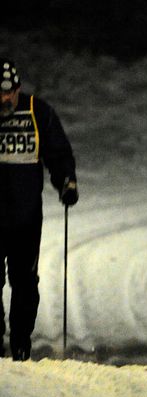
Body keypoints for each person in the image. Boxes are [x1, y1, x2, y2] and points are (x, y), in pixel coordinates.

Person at [0, 58, 78, 360]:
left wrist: (67, 182)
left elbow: (58, 153)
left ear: (18, 89)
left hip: (26, 216)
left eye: (9, 93)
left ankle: (20, 340)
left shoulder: (37, 112)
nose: (4, 100)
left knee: (24, 281)